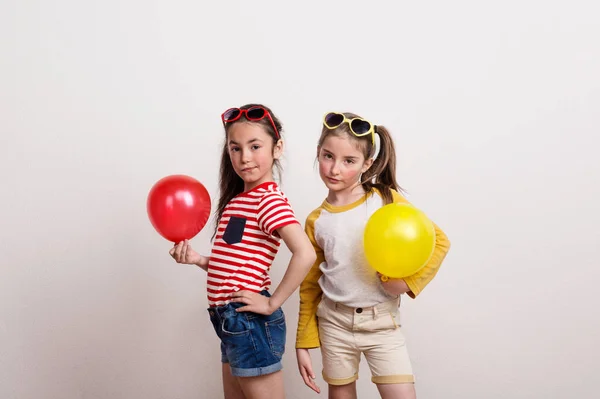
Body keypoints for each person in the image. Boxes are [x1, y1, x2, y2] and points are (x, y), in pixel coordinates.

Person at [295, 112, 451, 399]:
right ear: (318, 152)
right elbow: (309, 285)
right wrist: (303, 342)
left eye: (349, 161)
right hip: (334, 324)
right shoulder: (316, 220)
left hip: (382, 324)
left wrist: (408, 282)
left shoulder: (385, 200)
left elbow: (439, 241)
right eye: (328, 156)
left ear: (367, 164)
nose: (335, 169)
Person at [170, 104, 316, 399]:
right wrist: (199, 260)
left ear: (278, 148)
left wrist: (272, 302)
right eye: (235, 148)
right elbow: (234, 263)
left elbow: (306, 253)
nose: (244, 157)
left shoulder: (268, 200)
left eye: (255, 146)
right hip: (229, 321)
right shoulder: (239, 202)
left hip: (249, 321)